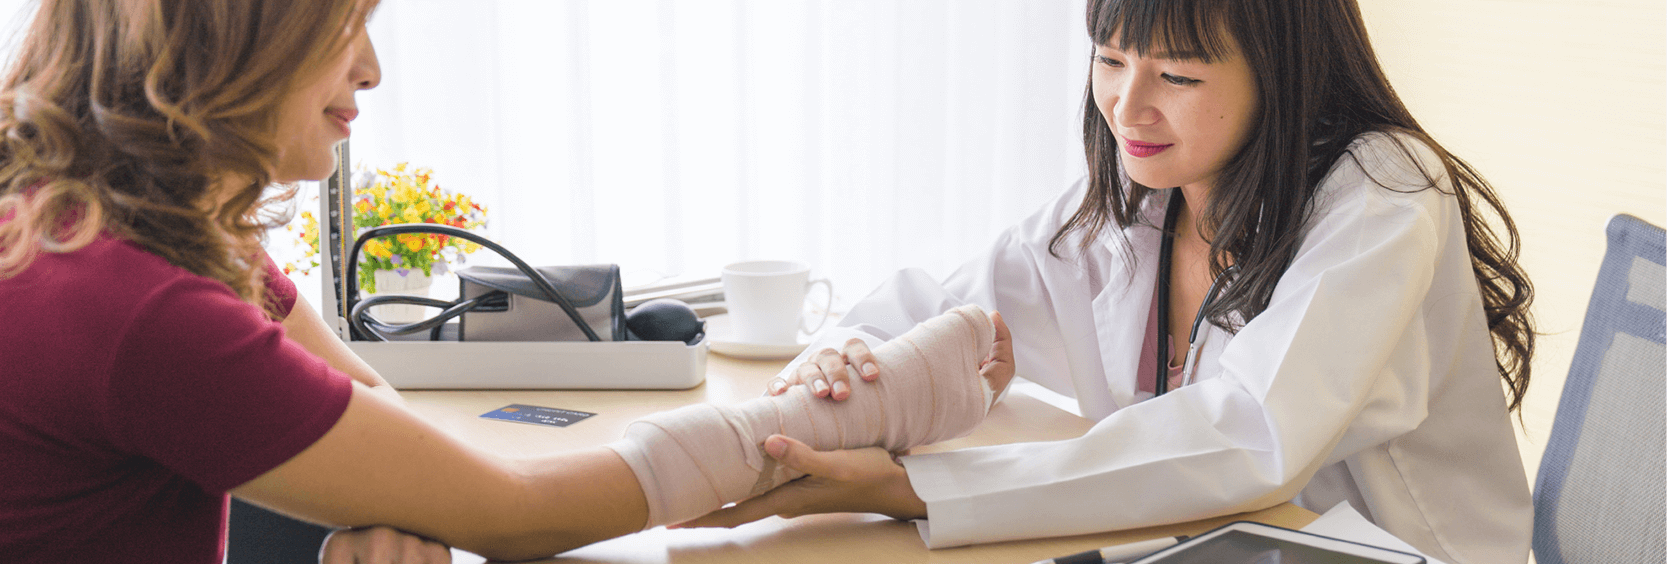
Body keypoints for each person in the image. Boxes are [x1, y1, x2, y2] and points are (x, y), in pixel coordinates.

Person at [0, 1, 1012, 562]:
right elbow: (515, 512)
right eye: (342, 25)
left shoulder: (105, 223)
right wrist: (792, 428)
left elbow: (375, 411)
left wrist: (405, 507)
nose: (371, 70)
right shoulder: (144, 308)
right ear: (238, 34)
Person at [686, 1, 1538, 563]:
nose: (1126, 107)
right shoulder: (1140, 198)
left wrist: (912, 487)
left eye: (1176, 75)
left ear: (1280, 75)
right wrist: (841, 362)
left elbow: (1249, 436)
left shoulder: (1380, 192)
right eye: (1108, 58)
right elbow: (934, 306)